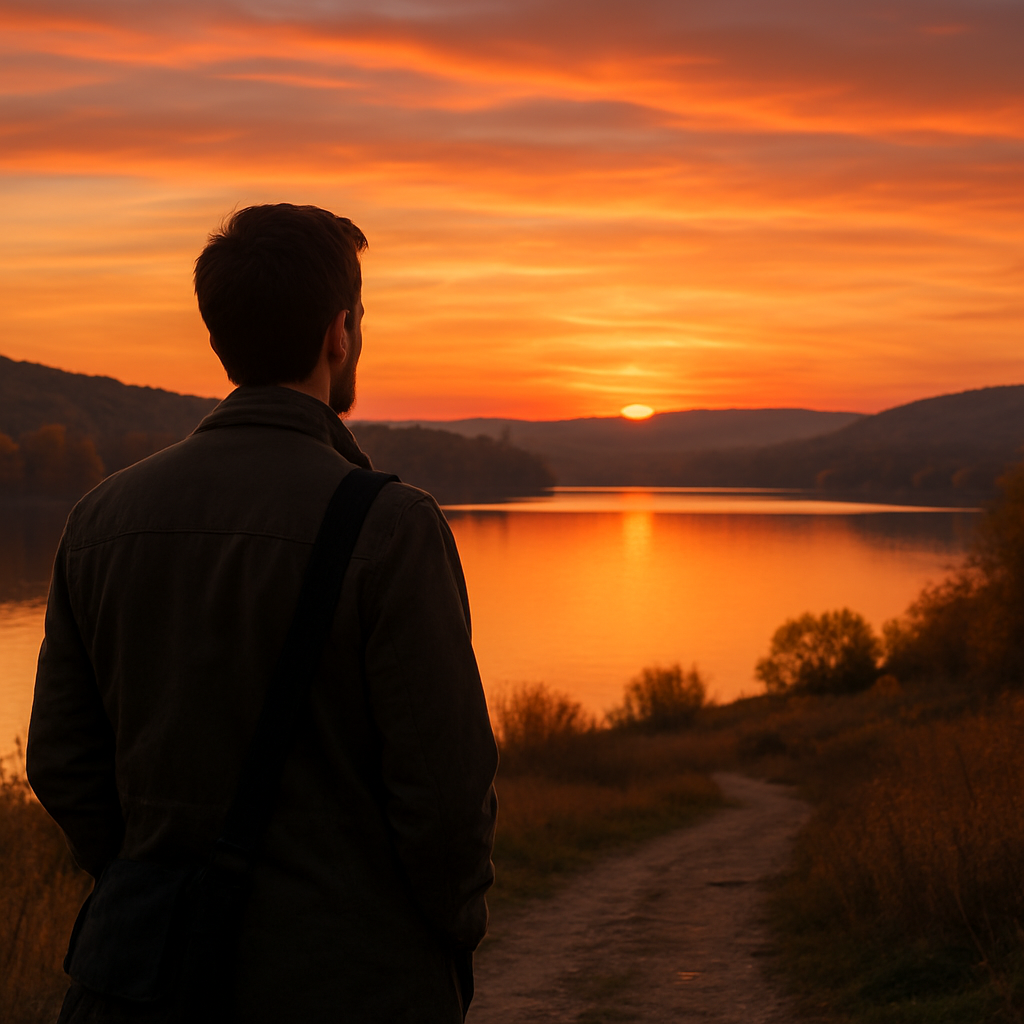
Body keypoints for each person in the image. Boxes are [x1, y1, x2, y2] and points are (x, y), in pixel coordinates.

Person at [27, 204, 499, 1023]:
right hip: (350, 982)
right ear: (338, 334)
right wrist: (444, 937)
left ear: (221, 338)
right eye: (358, 315)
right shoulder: (391, 525)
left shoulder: (100, 518)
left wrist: (155, 883)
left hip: (141, 978)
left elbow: (64, 761)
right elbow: (447, 793)